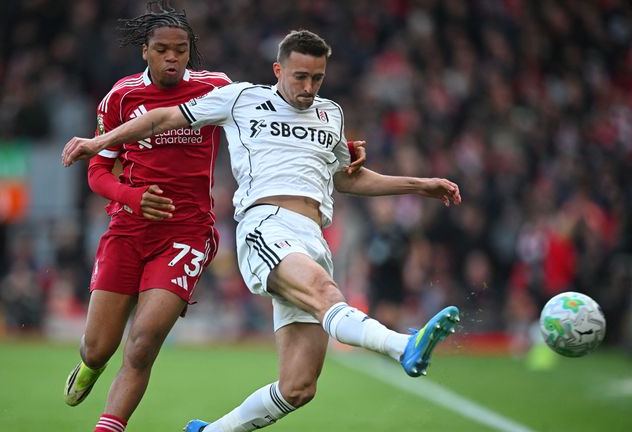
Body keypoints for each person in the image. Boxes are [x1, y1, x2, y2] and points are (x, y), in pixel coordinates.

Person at [62, 30, 461, 432]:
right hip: (265, 227)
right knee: (326, 295)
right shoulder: (242, 99)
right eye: (300, 76)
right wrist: (100, 143)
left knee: (299, 386)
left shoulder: (331, 114)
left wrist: (420, 184)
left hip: (312, 238)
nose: (308, 87)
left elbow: (348, 178)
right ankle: (403, 346)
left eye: (317, 78)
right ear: (278, 69)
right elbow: (163, 117)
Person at [61, 3, 235, 432]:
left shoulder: (216, 88)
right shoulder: (121, 97)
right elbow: (98, 171)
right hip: (128, 228)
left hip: (187, 233)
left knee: (141, 346)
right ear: (145, 51)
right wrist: (132, 197)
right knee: (98, 348)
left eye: (181, 49)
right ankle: (90, 366)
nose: (172, 58)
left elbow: (270, 111)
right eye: (162, 49)